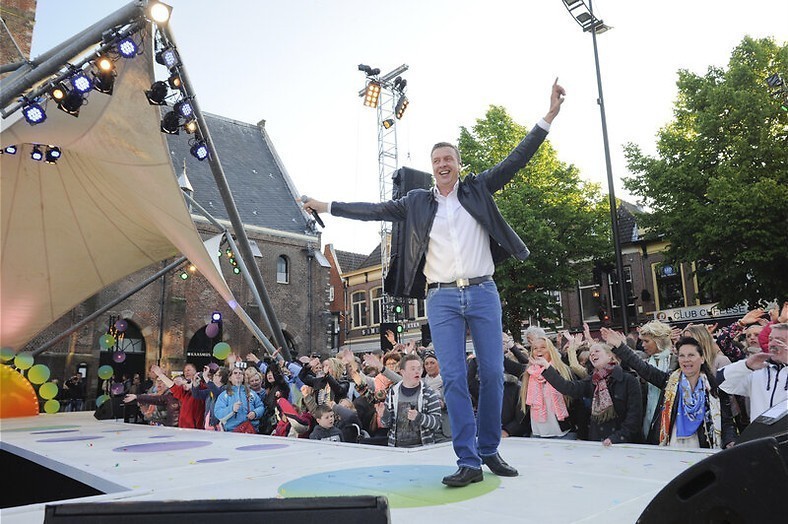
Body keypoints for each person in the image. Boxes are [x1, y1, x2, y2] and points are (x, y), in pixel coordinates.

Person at [302, 79, 564, 486]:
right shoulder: (416, 203)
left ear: (458, 164)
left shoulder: (477, 189)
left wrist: (547, 117)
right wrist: (327, 205)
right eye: (437, 159)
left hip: (482, 291)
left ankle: (489, 449)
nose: (443, 164)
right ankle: (468, 460)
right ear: (432, 166)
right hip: (440, 298)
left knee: (494, 374)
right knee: (455, 379)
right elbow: (372, 210)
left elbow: (516, 160)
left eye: (449, 159)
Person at [601, 329, 736, 449]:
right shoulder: (669, 381)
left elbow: (727, 421)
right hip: (671, 448)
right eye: (682, 356)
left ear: (701, 359)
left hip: (705, 448)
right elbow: (642, 368)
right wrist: (620, 346)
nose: (686, 360)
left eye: (691, 355)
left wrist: (730, 442)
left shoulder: (714, 387)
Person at [529, 342, 642, 446]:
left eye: (597, 351)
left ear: (610, 356)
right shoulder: (591, 381)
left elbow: (634, 417)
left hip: (623, 444)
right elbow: (567, 388)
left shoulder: (628, 380)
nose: (592, 354)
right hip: (597, 442)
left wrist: (616, 438)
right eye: (591, 353)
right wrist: (547, 367)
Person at [718, 323, 788, 420]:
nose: (772, 344)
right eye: (770, 339)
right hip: (760, 434)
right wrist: (746, 366)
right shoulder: (758, 369)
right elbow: (721, 383)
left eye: (780, 340)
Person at [376, 354, 442, 448]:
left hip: (422, 449)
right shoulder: (392, 393)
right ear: (402, 372)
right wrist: (383, 415)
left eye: (419, 368)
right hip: (397, 449)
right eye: (412, 369)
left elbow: (437, 423)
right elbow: (387, 424)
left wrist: (419, 417)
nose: (417, 371)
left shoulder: (429, 393)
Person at [636, 320, 677, 438]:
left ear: (658, 341)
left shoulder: (675, 362)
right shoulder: (645, 363)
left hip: (669, 421)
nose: (642, 345)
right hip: (646, 422)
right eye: (641, 341)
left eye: (646, 341)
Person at [214, 367, 265, 432]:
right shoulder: (224, 395)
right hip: (231, 433)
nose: (238, 375)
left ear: (243, 377)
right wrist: (232, 409)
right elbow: (218, 413)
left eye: (240, 373)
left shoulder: (251, 393)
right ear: (230, 378)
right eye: (235, 373)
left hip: (250, 432)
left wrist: (255, 413)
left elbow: (261, 407)